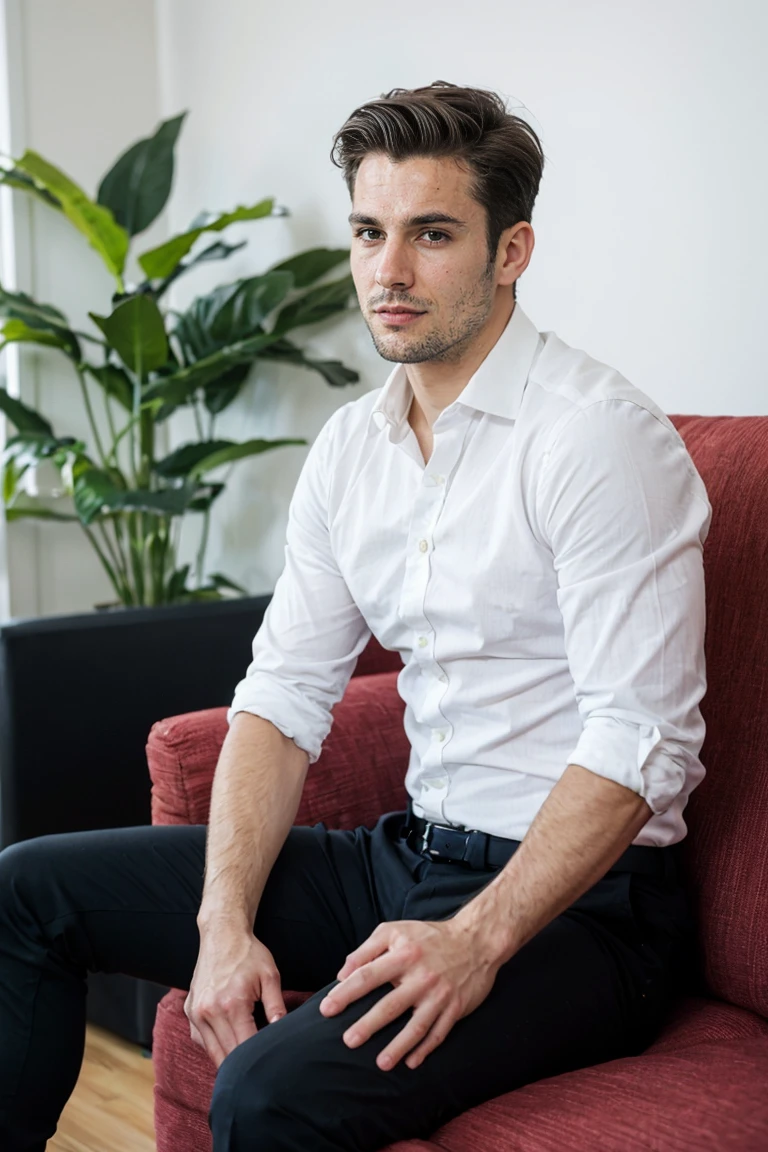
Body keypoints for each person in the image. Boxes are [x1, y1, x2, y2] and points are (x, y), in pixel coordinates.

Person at [0, 81, 711, 1152]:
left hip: (582, 912)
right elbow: (283, 699)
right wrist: (223, 926)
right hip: (404, 859)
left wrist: (473, 941)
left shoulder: (596, 442)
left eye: (431, 234)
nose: (389, 271)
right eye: (371, 233)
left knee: (270, 1094)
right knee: (26, 891)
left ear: (510, 250)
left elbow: (640, 740)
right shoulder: (349, 449)